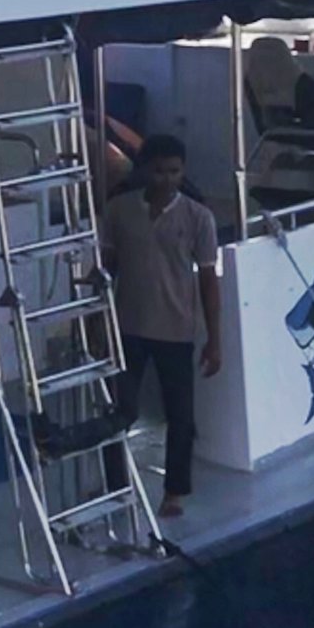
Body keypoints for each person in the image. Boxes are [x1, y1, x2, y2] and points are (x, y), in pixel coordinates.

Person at [99, 134, 222, 518]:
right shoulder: (118, 210)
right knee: (119, 411)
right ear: (144, 170)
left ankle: (174, 492)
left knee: (180, 417)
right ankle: (115, 484)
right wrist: (95, 324)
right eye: (159, 171)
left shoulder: (199, 218)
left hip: (176, 330)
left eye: (174, 171)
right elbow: (107, 269)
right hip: (127, 327)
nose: (167, 179)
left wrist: (214, 339)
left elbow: (208, 280)